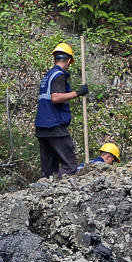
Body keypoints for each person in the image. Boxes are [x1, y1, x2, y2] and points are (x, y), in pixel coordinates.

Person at [35, 43, 87, 177]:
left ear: (55, 59)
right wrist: (78, 93)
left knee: (49, 170)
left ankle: (47, 192)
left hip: (42, 126)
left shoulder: (48, 76)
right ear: (69, 61)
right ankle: (64, 192)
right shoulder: (59, 75)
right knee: (69, 165)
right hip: (54, 125)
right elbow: (55, 98)